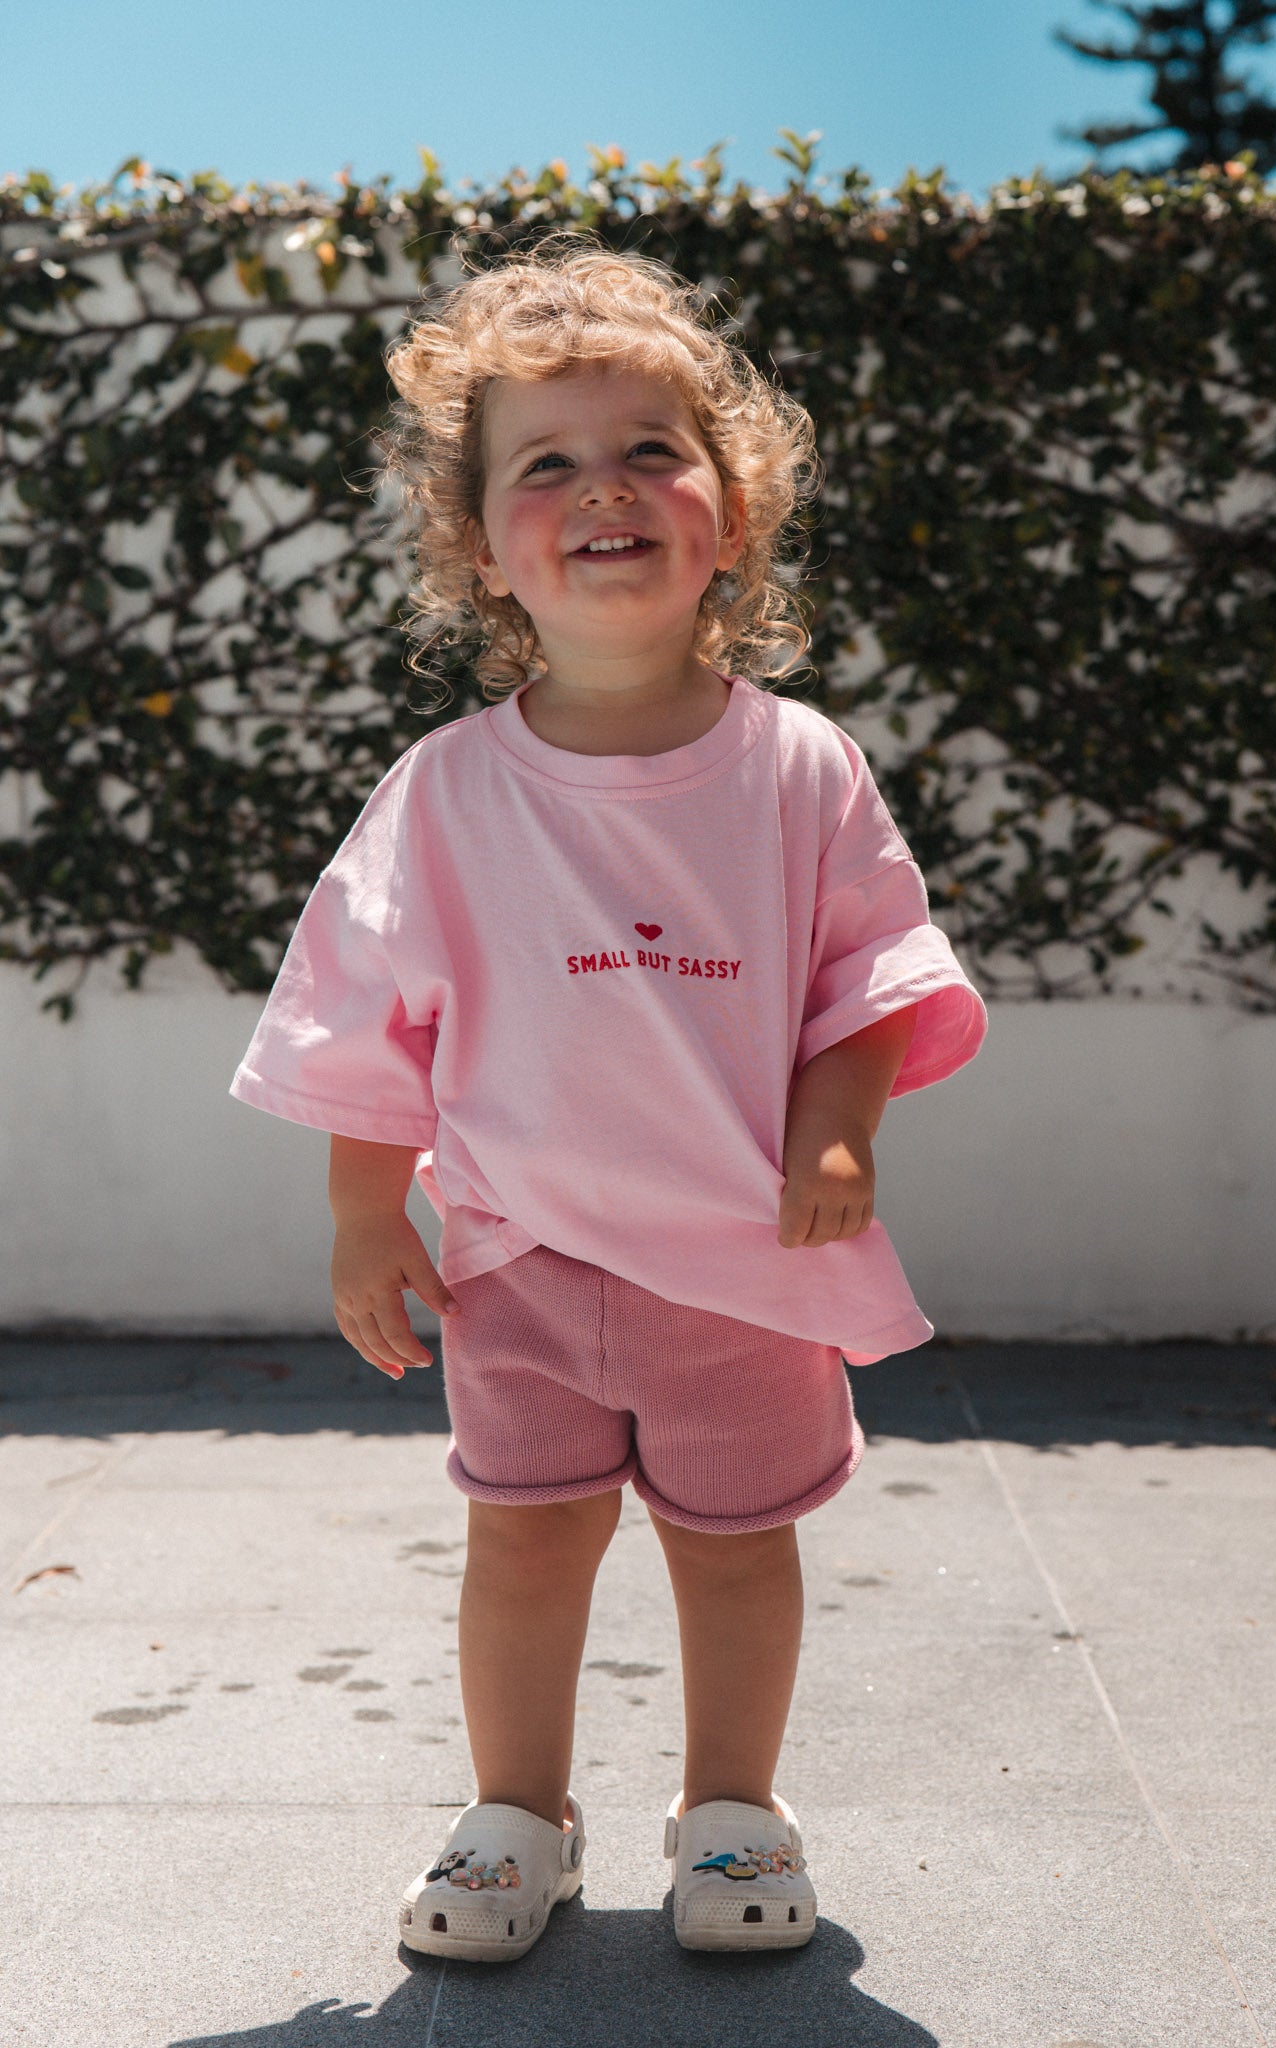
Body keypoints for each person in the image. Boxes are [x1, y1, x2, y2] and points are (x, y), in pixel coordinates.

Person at [229, 230, 987, 1962]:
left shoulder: (799, 766)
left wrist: (842, 1112)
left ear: (728, 504)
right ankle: (519, 1817)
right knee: (524, 1541)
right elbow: (370, 1016)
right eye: (546, 465)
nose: (604, 491)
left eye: (651, 450)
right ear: (483, 548)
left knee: (733, 1551)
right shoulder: (440, 793)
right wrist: (367, 1211)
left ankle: (732, 1815)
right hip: (520, 1264)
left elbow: (875, 968)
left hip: (739, 1266)